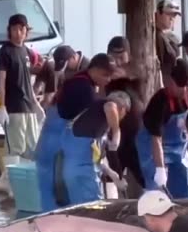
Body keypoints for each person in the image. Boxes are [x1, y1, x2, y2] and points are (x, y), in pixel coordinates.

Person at [34, 54, 123, 210]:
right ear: (94, 70)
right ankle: (51, 221)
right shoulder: (84, 88)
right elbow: (106, 107)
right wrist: (115, 133)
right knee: (53, 184)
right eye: (105, 75)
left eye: (110, 76)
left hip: (59, 136)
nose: (108, 80)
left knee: (60, 185)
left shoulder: (82, 80)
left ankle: (56, 221)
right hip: (55, 136)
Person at [137, 58, 188, 199]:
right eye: (181, 86)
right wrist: (160, 169)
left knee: (186, 184)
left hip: (178, 147)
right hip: (153, 147)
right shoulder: (159, 102)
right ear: (170, 82)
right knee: (157, 190)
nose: (185, 90)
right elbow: (156, 139)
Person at [0, 13, 45, 194]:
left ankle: (23, 183)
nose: (18, 33)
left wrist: (36, 105)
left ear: (26, 31)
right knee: (14, 148)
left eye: (22, 29)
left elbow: (27, 82)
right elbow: (1, 82)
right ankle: (8, 182)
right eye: (14, 29)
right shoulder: (4, 52)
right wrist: (2, 107)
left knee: (31, 147)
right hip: (13, 107)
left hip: (28, 106)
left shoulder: (26, 51)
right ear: (9, 31)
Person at [155, 0, 182, 87]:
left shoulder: (167, 36)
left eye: (174, 15)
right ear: (158, 13)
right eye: (169, 14)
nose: (172, 18)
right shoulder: (154, 36)